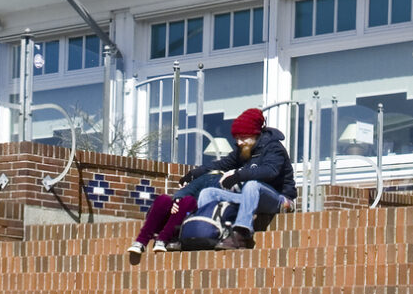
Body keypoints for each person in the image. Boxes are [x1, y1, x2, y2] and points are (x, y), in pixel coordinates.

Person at [196, 107, 297, 250]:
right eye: (237, 138)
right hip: (250, 197)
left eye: (243, 137)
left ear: (255, 134)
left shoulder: (274, 147)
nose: (239, 142)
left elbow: (270, 171)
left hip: (279, 199)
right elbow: (222, 164)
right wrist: (195, 172)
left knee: (252, 185)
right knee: (208, 193)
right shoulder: (243, 149)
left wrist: (239, 175)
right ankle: (208, 232)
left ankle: (240, 234)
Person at [125, 147, 226, 264]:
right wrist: (177, 202)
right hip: (174, 218)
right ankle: (141, 242)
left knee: (189, 201)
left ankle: (162, 240)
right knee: (164, 199)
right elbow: (183, 192)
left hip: (191, 223)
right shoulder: (203, 178)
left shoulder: (228, 182)